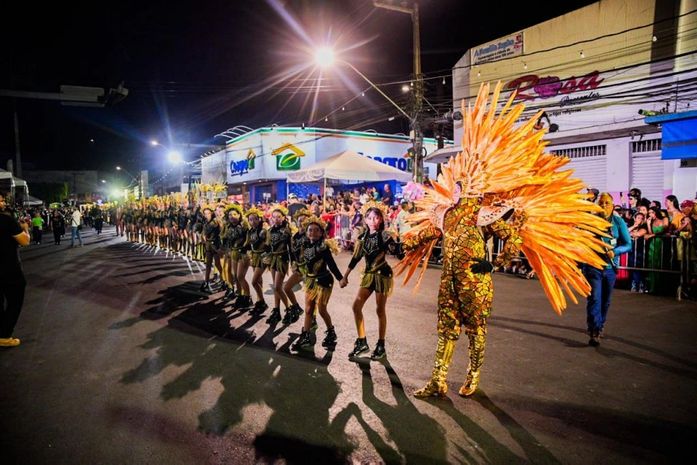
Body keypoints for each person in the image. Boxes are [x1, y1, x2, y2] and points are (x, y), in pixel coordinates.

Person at [339, 201, 403, 361]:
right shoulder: (362, 237)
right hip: (368, 275)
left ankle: (381, 345)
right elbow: (356, 258)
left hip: (382, 275)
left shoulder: (385, 236)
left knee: (379, 310)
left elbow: (397, 252)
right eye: (369, 217)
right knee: (356, 306)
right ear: (365, 219)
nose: (373, 220)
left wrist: (399, 244)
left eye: (376, 218)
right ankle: (362, 341)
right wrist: (345, 276)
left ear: (381, 219)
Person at [583, 193, 632, 346]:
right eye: (601, 203)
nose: (604, 206)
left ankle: (601, 323)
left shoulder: (618, 222)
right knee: (594, 298)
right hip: (593, 266)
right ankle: (594, 329)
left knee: (605, 301)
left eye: (607, 203)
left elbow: (628, 244)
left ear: (612, 205)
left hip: (610, 267)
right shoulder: (590, 221)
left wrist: (615, 251)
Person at [292, 215, 343, 351]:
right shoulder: (304, 245)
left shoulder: (323, 247)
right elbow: (300, 260)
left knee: (321, 309)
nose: (312, 233)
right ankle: (305, 335)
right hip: (310, 280)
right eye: (310, 230)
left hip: (324, 281)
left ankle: (331, 331)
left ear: (321, 233)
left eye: (316, 230)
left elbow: (331, 265)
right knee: (308, 309)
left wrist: (340, 278)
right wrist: (295, 265)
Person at [0, 192, 31, 347]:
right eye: (0, 200)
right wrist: (25, 229)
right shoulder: (6, 220)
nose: (3, 203)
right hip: (9, 268)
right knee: (15, 301)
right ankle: (4, 336)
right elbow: (24, 241)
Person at [282, 208, 311, 325]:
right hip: (299, 268)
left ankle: (312, 318)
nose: (302, 223)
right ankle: (296, 307)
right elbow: (292, 253)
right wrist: (293, 264)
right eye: (300, 220)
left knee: (309, 297)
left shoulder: (311, 235)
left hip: (310, 270)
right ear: (296, 222)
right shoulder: (294, 237)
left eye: (305, 221)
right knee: (286, 288)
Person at [264, 204, 292, 325]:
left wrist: (294, 262)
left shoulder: (287, 230)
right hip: (273, 260)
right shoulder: (270, 230)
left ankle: (289, 309)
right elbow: (268, 246)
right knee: (277, 288)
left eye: (278, 217)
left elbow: (291, 248)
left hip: (282, 259)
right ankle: (276, 310)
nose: (276, 219)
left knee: (277, 287)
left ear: (283, 217)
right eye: (274, 217)